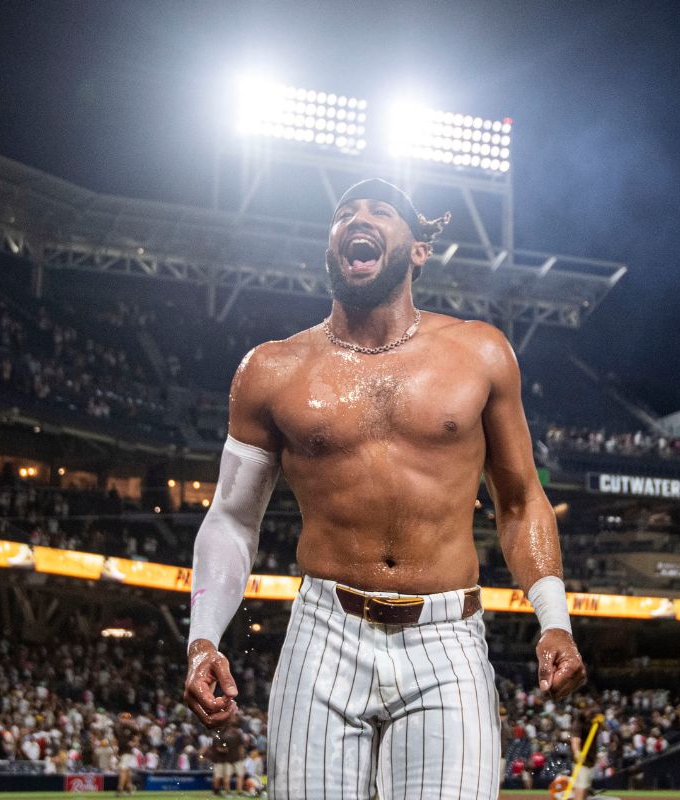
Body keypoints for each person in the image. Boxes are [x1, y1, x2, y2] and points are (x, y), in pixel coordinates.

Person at [184, 178, 587, 800]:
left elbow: (520, 499)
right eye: (344, 213)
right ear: (333, 245)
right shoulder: (270, 369)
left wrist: (554, 621)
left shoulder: (480, 352)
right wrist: (202, 639)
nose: (357, 219)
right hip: (324, 632)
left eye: (380, 210)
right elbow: (233, 518)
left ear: (418, 250)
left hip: (448, 637)